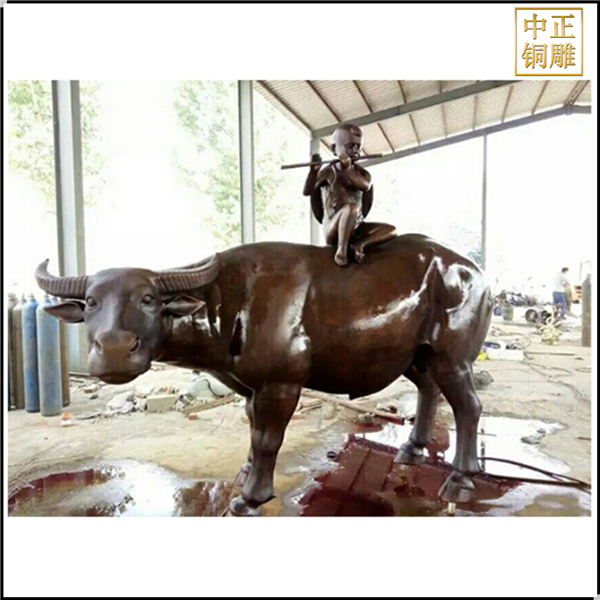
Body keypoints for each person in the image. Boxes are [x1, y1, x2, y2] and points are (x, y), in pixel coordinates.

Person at [302, 123, 395, 266]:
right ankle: (342, 249)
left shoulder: (362, 173)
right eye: (350, 146)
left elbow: (365, 186)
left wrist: (347, 170)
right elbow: (307, 191)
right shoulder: (329, 172)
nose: (355, 151)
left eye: (358, 147)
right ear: (334, 149)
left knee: (391, 230)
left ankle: (360, 245)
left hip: (356, 227)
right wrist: (313, 172)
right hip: (334, 228)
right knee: (351, 208)